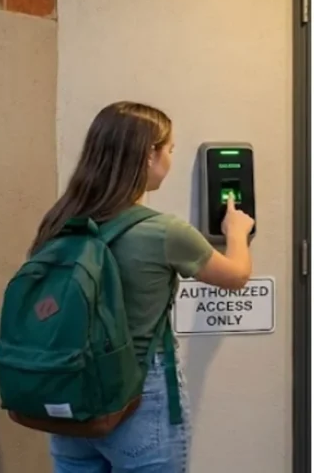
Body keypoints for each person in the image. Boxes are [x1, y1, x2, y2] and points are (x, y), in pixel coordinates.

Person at [36, 101, 254, 473]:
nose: (169, 159)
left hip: (70, 393)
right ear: (148, 155)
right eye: (168, 150)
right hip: (139, 396)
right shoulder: (163, 231)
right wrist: (236, 232)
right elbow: (235, 276)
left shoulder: (60, 220)